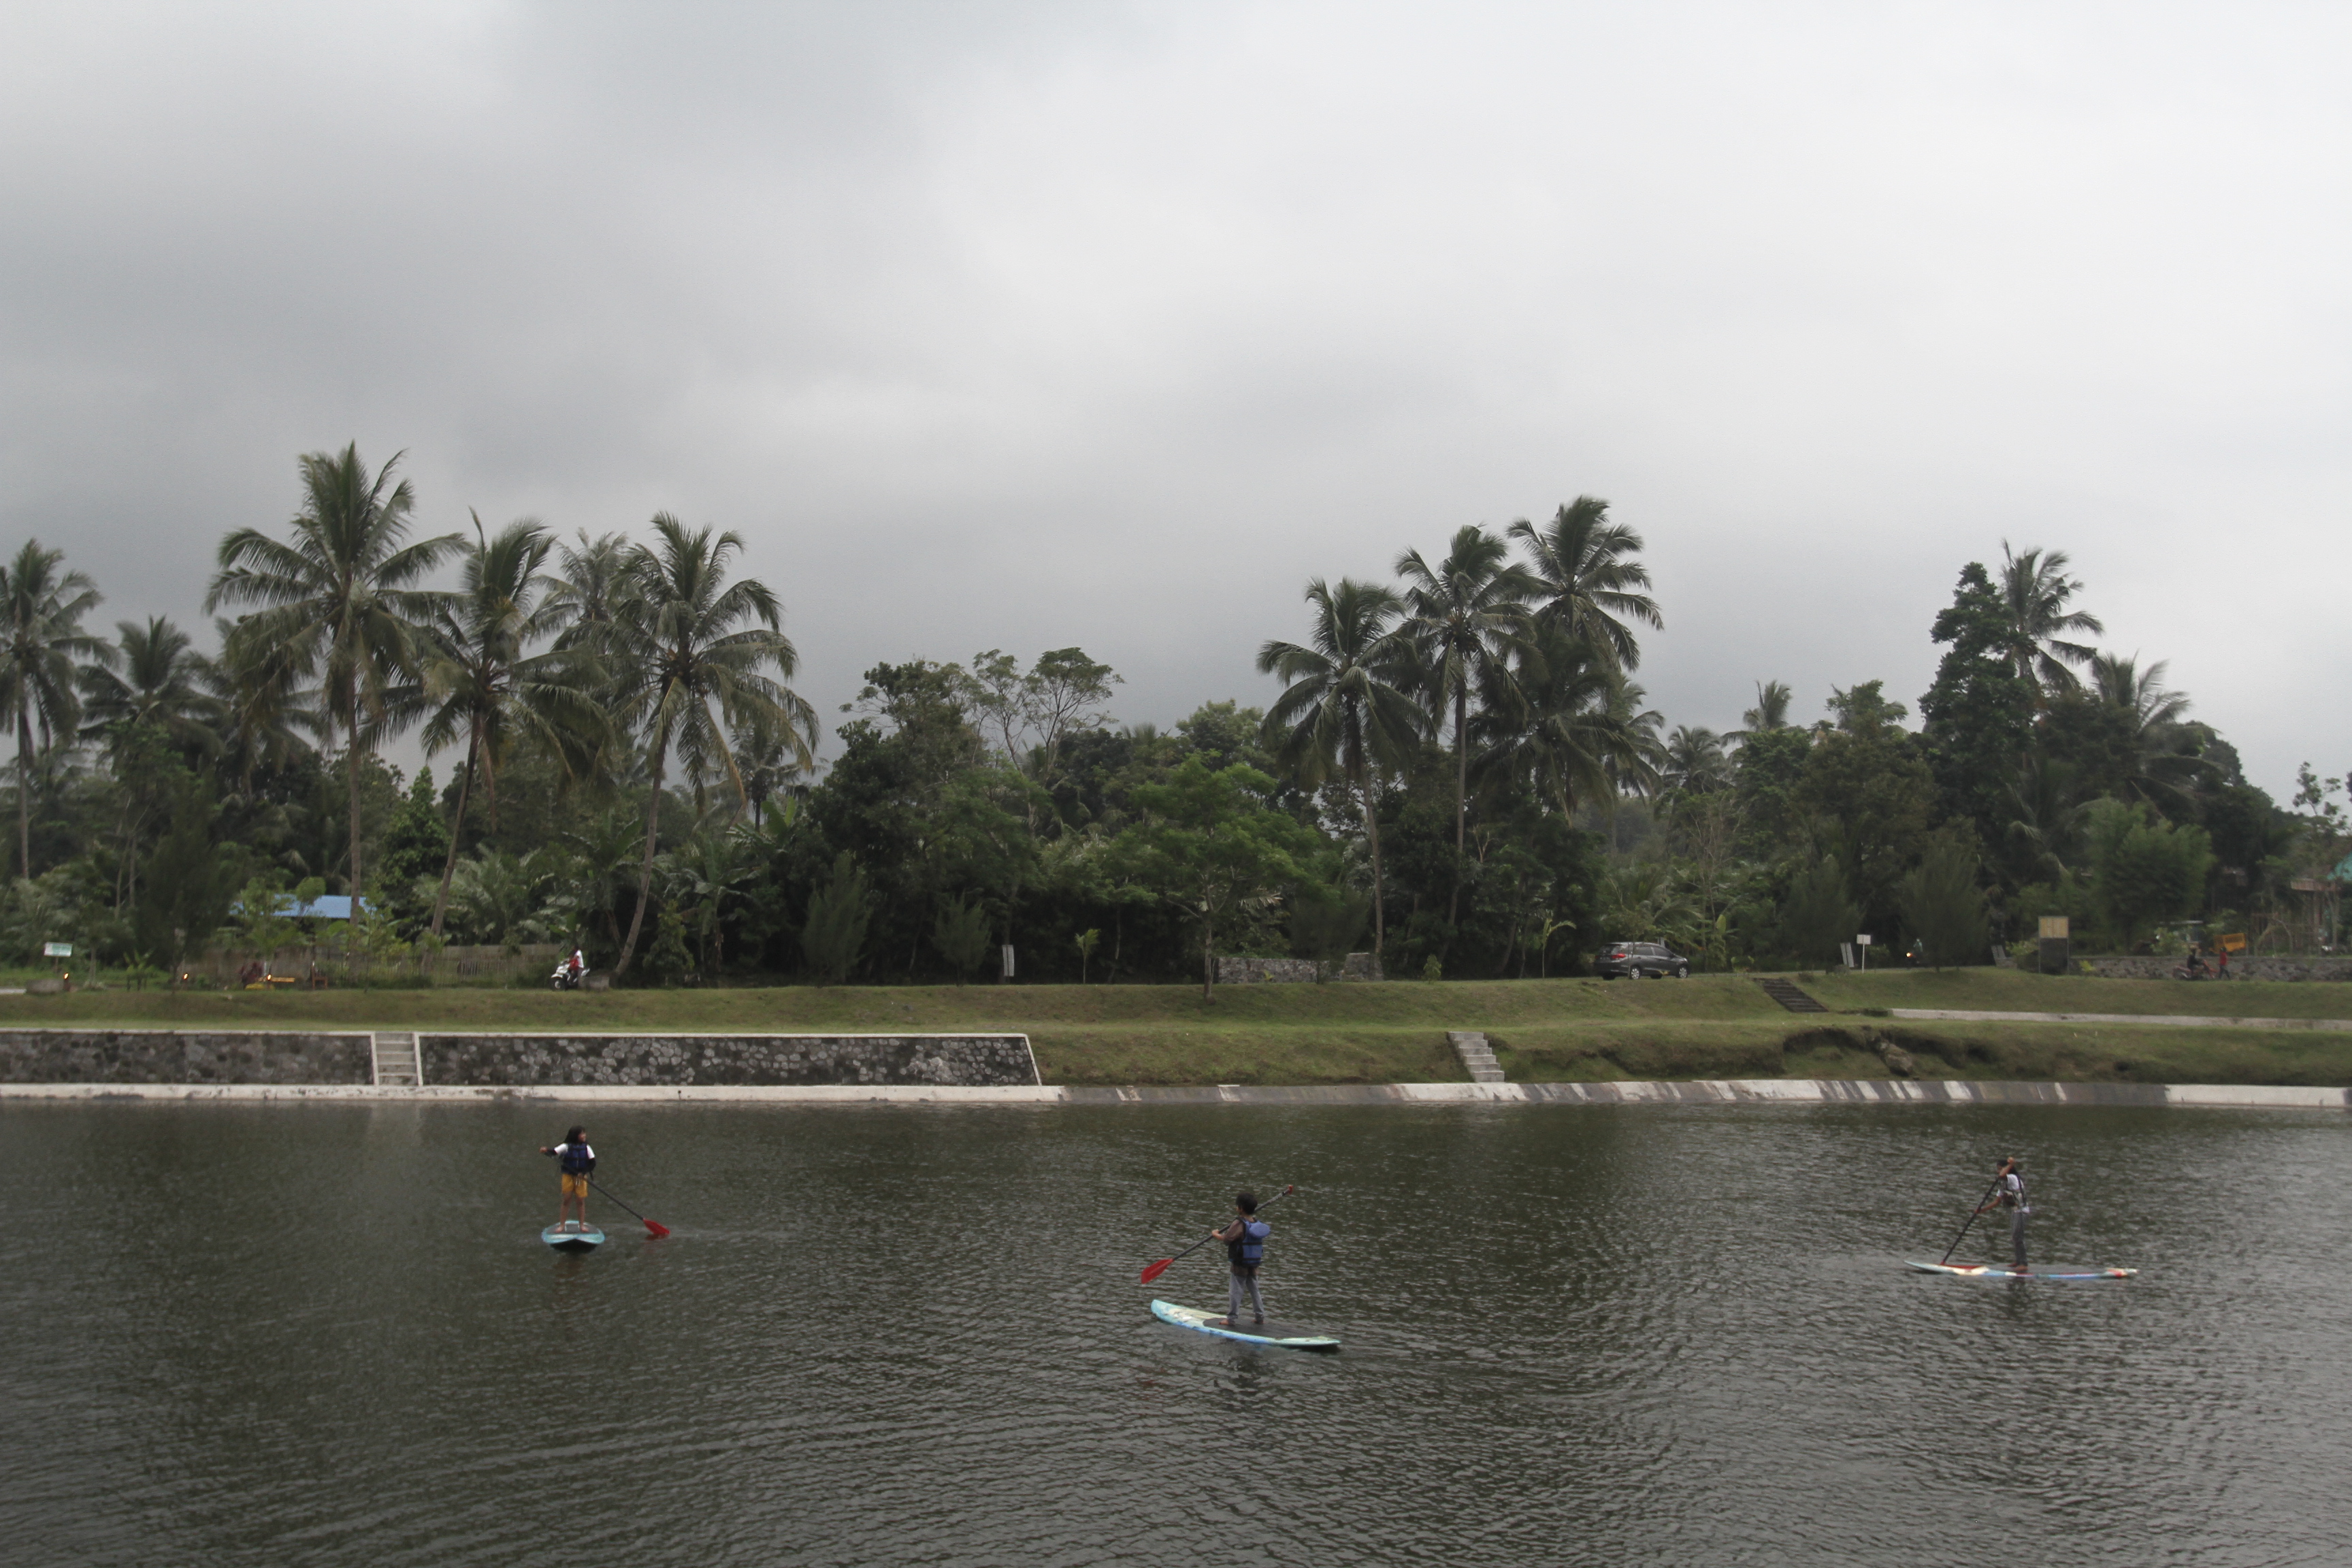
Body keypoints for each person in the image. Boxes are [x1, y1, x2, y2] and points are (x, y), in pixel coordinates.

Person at [1209, 1191, 1272, 1328]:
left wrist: (1215, 1235)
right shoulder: (1256, 1223)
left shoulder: (1238, 1223)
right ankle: (1260, 1317)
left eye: (1237, 1205)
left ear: (1241, 1208)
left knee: (1235, 1291)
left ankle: (1231, 1319)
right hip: (1254, 1263)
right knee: (1254, 1289)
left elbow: (1227, 1240)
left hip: (1240, 1264)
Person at [1974, 1156, 2029, 1271]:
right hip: (2015, 1211)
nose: (1998, 1171)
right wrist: (1981, 1210)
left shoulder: (2013, 1178)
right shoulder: (2003, 1185)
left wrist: (2010, 1165)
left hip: (2022, 1211)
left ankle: (2023, 1263)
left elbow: (2002, 1175)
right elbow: (1996, 1202)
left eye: (2000, 1168)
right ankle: (2018, 1261)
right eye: (1997, 1169)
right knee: (2015, 1237)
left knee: (2017, 1236)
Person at [540, 1126, 595, 1232]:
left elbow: (593, 1163)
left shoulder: (587, 1148)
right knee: (567, 1200)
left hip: (581, 1177)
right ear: (576, 1136)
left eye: (584, 1134)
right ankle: (562, 1225)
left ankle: (582, 1225)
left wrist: (583, 1173)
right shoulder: (566, 1146)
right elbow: (554, 1152)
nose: (584, 1136)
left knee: (580, 1200)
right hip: (568, 1176)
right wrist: (546, 1150)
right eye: (582, 1134)